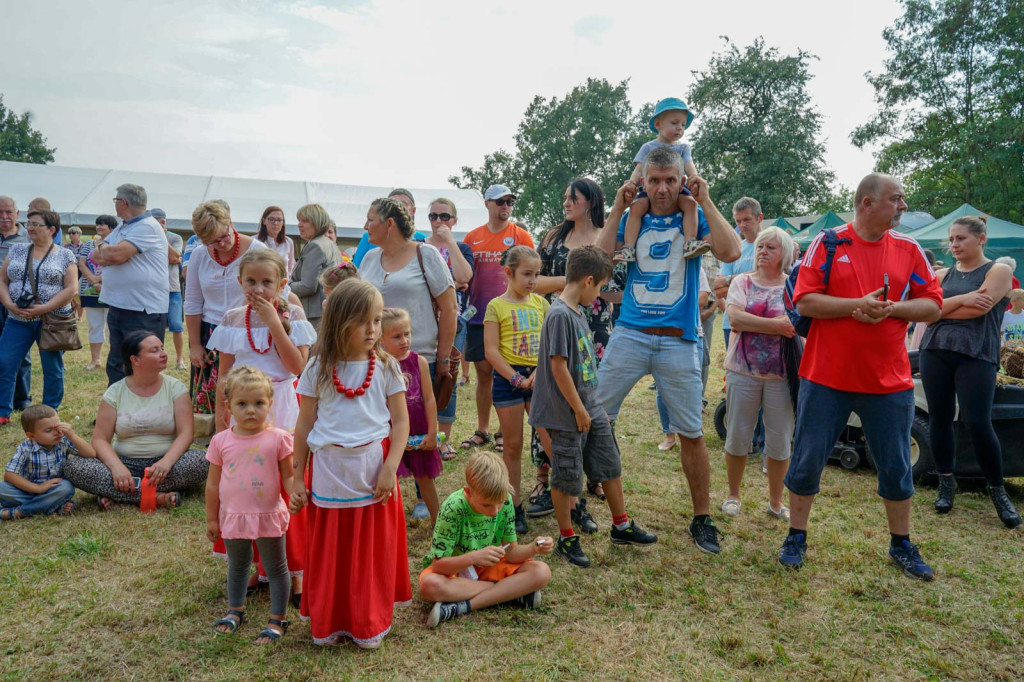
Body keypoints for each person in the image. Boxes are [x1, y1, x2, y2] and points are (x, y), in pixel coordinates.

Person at [779, 173, 943, 580]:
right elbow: (805, 300)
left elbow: (933, 306)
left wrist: (891, 309)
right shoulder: (829, 241)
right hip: (825, 376)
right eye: (896, 199)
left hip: (888, 381)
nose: (903, 206)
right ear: (867, 203)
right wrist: (856, 304)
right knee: (808, 458)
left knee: (896, 465)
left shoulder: (909, 248)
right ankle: (795, 536)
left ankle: (901, 544)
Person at [595, 146, 741, 556]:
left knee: (692, 431)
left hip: (679, 337)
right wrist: (616, 210)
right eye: (654, 180)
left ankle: (702, 517)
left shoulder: (692, 214)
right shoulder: (631, 217)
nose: (662, 189)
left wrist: (706, 199)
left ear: (682, 180)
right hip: (631, 332)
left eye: (670, 180)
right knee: (594, 418)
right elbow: (600, 259)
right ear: (643, 180)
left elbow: (730, 252)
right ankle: (605, 513)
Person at [289, 279, 411, 649]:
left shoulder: (387, 368)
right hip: (329, 473)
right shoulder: (318, 369)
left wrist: (390, 466)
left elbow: (401, 422)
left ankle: (366, 620)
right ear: (340, 322)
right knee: (332, 554)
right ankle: (330, 619)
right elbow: (304, 424)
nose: (373, 329)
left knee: (368, 554)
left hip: (372, 472)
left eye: (376, 320)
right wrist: (297, 478)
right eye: (365, 322)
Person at [530, 245, 659, 568]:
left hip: (590, 406)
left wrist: (591, 406)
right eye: (600, 287)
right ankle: (567, 536)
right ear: (588, 280)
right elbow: (558, 367)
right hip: (568, 413)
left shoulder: (576, 311)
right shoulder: (559, 314)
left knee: (609, 464)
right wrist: (578, 409)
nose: (599, 293)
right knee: (566, 475)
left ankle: (621, 525)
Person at [207, 249, 315, 600]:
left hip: (282, 406)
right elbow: (224, 371)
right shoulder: (233, 318)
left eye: (267, 282)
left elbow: (298, 366)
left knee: (282, 487)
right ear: (240, 282)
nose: (259, 288)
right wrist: (223, 411)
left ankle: (292, 569)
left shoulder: (293, 314)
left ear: (282, 284)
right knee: (249, 486)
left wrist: (273, 322)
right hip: (242, 409)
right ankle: (256, 564)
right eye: (251, 281)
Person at [527, 178, 624, 522]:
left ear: (591, 202)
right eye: (565, 196)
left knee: (592, 402)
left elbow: (617, 286)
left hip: (596, 330)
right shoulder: (554, 239)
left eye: (574, 197)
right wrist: (570, 282)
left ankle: (594, 475)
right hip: (562, 320)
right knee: (558, 399)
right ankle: (547, 479)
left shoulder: (609, 235)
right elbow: (533, 282)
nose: (566, 202)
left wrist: (589, 285)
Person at [919, 216, 1020, 528]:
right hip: (935, 351)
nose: (954, 245)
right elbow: (926, 312)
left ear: (981, 239)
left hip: (976, 355)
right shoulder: (940, 273)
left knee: (977, 422)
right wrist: (961, 299)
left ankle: (998, 489)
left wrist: (942, 308)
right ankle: (947, 483)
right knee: (939, 418)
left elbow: (980, 308)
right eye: (951, 240)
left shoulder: (998, 271)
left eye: (961, 238)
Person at [63, 332, 208, 510]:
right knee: (73, 465)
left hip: (165, 467)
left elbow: (186, 434)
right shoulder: (115, 391)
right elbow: (100, 439)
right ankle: (155, 497)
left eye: (162, 348)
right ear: (135, 360)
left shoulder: (175, 388)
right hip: (124, 463)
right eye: (154, 350)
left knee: (202, 460)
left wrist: (166, 463)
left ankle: (123, 494)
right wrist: (117, 468)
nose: (163, 353)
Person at [205, 366, 294, 644]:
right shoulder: (221, 441)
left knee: (276, 566)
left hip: (267, 514)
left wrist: (297, 499)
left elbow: (288, 476)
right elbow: (212, 484)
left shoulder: (278, 438)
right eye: (242, 404)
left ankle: (277, 619)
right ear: (229, 406)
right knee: (238, 564)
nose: (251, 410)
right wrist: (211, 519)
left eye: (258, 403)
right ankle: (235, 609)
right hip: (234, 516)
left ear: (270, 402)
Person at [420, 450, 553, 627]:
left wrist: (533, 547)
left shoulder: (505, 501)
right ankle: (510, 593)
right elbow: (439, 564)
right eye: (486, 505)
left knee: (541, 572)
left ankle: (462, 606)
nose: (495, 511)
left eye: (499, 503)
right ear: (468, 492)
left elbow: (511, 552)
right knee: (429, 585)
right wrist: (474, 557)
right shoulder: (452, 508)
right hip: (457, 573)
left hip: (487, 570)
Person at [721, 227, 797, 520]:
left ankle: (776, 502)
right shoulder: (742, 281)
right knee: (738, 435)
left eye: (771, 248)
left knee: (779, 442)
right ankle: (733, 495)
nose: (763, 251)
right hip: (743, 371)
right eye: (761, 246)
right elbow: (735, 318)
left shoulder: (792, 286)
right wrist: (776, 326)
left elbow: (796, 325)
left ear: (785, 254)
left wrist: (769, 324)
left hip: (781, 375)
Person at [184, 201, 281, 417]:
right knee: (216, 401)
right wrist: (195, 345)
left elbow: (279, 289)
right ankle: (219, 439)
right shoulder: (200, 255)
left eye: (224, 235)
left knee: (247, 393)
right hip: (211, 335)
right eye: (212, 242)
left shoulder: (257, 250)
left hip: (247, 331)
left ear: (230, 222)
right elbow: (192, 302)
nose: (221, 244)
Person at [461, 184, 535, 453]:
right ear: (487, 204)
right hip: (479, 314)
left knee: (507, 372)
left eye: (509, 202)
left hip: (513, 318)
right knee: (483, 374)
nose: (505, 206)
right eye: (499, 202)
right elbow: (464, 275)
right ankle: (482, 428)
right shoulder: (472, 237)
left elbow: (532, 273)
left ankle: (503, 430)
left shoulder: (521, 236)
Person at [482, 245, 548, 535]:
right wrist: (516, 379)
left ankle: (571, 503)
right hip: (508, 381)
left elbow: (549, 344)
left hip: (538, 379)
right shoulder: (496, 306)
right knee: (512, 446)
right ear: (508, 273)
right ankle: (513, 506)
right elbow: (491, 351)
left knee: (551, 442)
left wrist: (536, 373)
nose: (533, 280)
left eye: (536, 274)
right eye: (527, 274)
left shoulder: (541, 305)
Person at [359, 197, 457, 382]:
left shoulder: (426, 254)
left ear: (389, 223)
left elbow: (450, 309)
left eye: (370, 220)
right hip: (376, 360)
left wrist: (443, 358)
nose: (365, 226)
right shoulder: (369, 258)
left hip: (419, 360)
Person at [0, 209, 79, 425]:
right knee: (5, 362)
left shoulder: (65, 255)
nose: (31, 228)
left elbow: (71, 289)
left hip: (52, 322)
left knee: (52, 367)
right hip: (17, 320)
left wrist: (44, 308)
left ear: (52, 229)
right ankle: (2, 411)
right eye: (29, 223)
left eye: (37, 224)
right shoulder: (17, 250)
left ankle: (49, 411)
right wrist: (8, 304)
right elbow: (2, 280)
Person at [90, 184, 169, 385]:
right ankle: (116, 411)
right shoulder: (124, 226)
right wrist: (107, 249)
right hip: (121, 306)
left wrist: (105, 246)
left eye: (116, 200)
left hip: (143, 310)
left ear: (123, 202)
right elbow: (97, 256)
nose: (115, 204)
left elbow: (115, 254)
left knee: (143, 365)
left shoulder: (147, 226)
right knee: (117, 363)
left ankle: (143, 413)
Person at [618, 97, 707, 263]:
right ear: (658, 124)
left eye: (682, 124)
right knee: (637, 207)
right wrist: (631, 183)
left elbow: (689, 165)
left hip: (677, 189)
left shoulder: (683, 148)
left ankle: (690, 241)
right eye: (674, 123)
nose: (679, 128)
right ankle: (628, 247)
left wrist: (694, 177)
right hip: (649, 190)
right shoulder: (648, 147)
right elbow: (639, 170)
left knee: (691, 204)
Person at [379, 307, 441, 523]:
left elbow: (429, 399)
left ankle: (439, 523)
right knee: (388, 479)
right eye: (397, 336)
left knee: (425, 479)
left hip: (418, 430)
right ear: (381, 339)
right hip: (390, 432)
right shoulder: (380, 365)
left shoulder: (419, 362)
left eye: (407, 333)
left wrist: (432, 432)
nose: (404, 340)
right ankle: (389, 524)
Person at [425, 198, 474, 460]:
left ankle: (444, 439)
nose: (438, 222)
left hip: (455, 318)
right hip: (423, 319)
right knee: (422, 378)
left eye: (444, 216)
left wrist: (450, 242)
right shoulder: (420, 247)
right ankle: (422, 435)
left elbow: (465, 276)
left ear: (454, 220)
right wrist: (451, 283)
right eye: (433, 216)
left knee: (448, 377)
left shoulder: (462, 247)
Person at [0, 404, 96, 520]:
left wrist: (72, 435)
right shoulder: (25, 448)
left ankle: (17, 512)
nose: (57, 432)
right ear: (31, 436)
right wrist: (37, 488)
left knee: (66, 487)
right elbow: (9, 475)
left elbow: (90, 453)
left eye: (58, 427)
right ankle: (53, 505)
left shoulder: (63, 441)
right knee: (2, 488)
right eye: (49, 430)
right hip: (27, 490)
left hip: (54, 490)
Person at [657, 266, 711, 452]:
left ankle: (695, 430)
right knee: (662, 387)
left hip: (692, 333)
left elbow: (703, 298)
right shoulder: (660, 267)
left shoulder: (696, 268)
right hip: (664, 332)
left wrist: (673, 301)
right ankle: (669, 435)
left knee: (694, 386)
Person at [715, 198, 763, 349]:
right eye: (738, 221)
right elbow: (719, 290)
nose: (743, 225)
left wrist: (729, 280)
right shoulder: (734, 249)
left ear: (759, 218)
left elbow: (768, 279)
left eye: (747, 219)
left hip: (762, 321)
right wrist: (754, 276)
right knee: (734, 371)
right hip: (732, 323)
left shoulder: (772, 245)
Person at [289, 203, 341, 332]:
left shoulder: (315, 246)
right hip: (327, 311)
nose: (299, 225)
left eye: (305, 221)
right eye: (299, 220)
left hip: (314, 316)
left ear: (317, 222)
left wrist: (284, 286)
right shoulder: (330, 244)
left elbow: (308, 286)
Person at [0, 196, 31, 409]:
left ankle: (21, 399)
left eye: (8, 212)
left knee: (20, 352)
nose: (4, 217)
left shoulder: (30, 237)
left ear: (17, 214)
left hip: (16, 302)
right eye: (0, 212)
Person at [350, 188, 428, 267]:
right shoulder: (369, 247)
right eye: (392, 204)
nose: (396, 208)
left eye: (403, 204)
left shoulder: (424, 246)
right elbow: (356, 270)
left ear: (413, 211)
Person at [79, 216, 116, 370]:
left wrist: (100, 280)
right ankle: (95, 360)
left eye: (103, 224)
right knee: (94, 326)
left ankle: (112, 360)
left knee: (111, 327)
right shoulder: (88, 244)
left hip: (111, 292)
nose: (99, 227)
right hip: (89, 291)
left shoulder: (116, 244)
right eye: (98, 224)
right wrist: (93, 280)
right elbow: (81, 264)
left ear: (112, 228)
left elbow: (116, 265)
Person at [151, 208, 186, 370]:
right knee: (155, 327)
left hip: (172, 289)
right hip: (153, 289)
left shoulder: (174, 237)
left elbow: (175, 257)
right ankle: (158, 359)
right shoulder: (147, 237)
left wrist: (162, 238)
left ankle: (180, 360)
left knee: (177, 325)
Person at [256, 206, 296, 275]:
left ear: (283, 223)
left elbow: (290, 267)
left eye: (279, 220)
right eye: (271, 219)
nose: (275, 223)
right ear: (264, 221)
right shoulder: (254, 241)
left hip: (283, 283)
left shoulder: (288, 242)